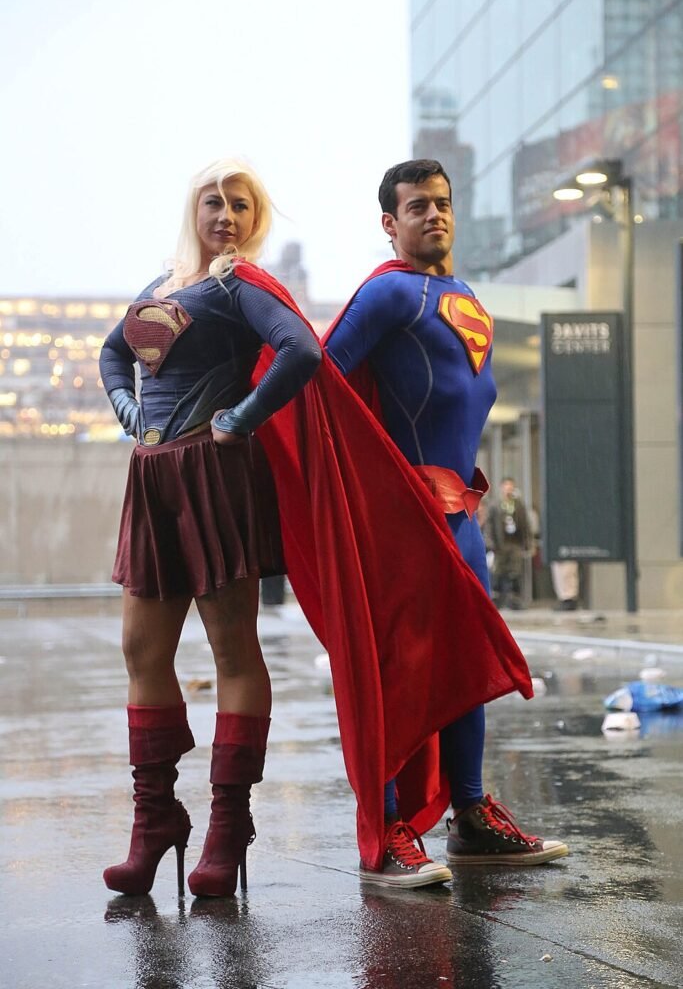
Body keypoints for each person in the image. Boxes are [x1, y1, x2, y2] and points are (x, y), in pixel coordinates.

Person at [323, 158, 568, 886]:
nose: (434, 214)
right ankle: (385, 831)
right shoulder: (388, 294)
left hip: (462, 517)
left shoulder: (463, 297)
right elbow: (323, 384)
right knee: (397, 674)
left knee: (467, 665)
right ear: (389, 223)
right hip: (407, 526)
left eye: (442, 202)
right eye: (417, 206)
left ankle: (470, 815)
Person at [99, 157, 322, 898]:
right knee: (141, 650)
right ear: (192, 211)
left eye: (240, 205)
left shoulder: (238, 286)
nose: (226, 215)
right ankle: (155, 820)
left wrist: (243, 417)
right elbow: (113, 351)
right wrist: (127, 409)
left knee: (232, 648)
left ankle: (229, 824)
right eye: (213, 201)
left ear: (254, 220)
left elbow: (302, 350)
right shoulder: (162, 283)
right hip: (152, 474)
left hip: (213, 474)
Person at [487, 477, 532, 610]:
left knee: (515, 571)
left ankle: (514, 599)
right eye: (506, 486)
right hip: (500, 543)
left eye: (511, 486)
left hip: (515, 542)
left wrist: (527, 541)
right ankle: (496, 598)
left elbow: (524, 523)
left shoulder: (518, 505)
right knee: (498, 571)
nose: (509, 489)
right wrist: (490, 542)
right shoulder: (495, 505)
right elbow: (490, 524)